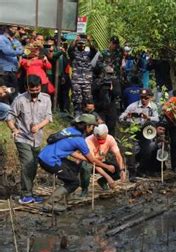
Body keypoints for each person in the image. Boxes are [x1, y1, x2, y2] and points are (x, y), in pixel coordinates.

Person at [38, 114, 115, 212]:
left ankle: (65, 198)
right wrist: (107, 167)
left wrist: (86, 158)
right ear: (86, 126)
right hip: (49, 160)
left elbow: (72, 152)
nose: (92, 129)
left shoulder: (70, 130)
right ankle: (49, 204)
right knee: (74, 182)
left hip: (46, 155)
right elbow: (92, 160)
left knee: (74, 167)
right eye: (92, 126)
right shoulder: (79, 140)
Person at [6, 75, 52, 204]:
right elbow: (10, 118)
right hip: (22, 137)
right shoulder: (19, 100)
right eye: (32, 90)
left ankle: (30, 192)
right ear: (27, 88)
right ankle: (25, 194)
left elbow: (48, 117)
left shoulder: (46, 99)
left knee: (34, 166)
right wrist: (14, 130)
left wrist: (38, 126)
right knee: (27, 163)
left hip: (37, 139)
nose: (35, 92)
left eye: (37, 89)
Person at [119, 88, 162, 179]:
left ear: (150, 97)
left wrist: (148, 118)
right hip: (134, 131)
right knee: (131, 151)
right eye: (142, 97)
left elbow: (157, 118)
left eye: (146, 98)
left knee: (149, 149)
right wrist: (128, 116)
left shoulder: (153, 106)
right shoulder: (133, 106)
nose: (143, 100)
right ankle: (132, 173)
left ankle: (142, 169)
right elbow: (121, 117)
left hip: (147, 132)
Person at [78, 124, 127, 197]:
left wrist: (122, 170)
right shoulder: (88, 141)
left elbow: (118, 156)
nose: (101, 141)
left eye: (103, 138)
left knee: (117, 169)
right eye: (98, 139)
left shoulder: (110, 139)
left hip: (101, 162)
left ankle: (102, 181)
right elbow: (92, 161)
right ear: (94, 135)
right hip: (89, 162)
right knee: (86, 166)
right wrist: (108, 177)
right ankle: (84, 189)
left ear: (106, 134)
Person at [68, 36, 97, 116]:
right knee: (77, 99)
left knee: (87, 99)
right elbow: (70, 49)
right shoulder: (74, 54)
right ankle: (77, 114)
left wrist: (89, 41)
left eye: (82, 44)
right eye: (79, 44)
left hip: (87, 80)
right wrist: (75, 40)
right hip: (76, 81)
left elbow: (94, 50)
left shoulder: (88, 54)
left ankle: (87, 115)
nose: (81, 45)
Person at [0, 25, 23, 92]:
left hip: (13, 69)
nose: (15, 28)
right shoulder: (1, 38)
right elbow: (7, 51)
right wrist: (20, 51)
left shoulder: (16, 41)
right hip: (3, 70)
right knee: (4, 92)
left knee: (13, 91)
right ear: (7, 27)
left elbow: (23, 51)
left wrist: (29, 49)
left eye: (16, 27)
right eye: (13, 26)